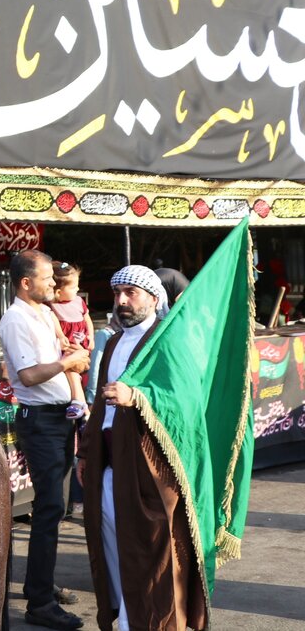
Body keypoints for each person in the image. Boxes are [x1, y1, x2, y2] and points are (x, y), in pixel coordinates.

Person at [77, 266, 205, 631]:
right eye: (117, 292)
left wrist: (136, 396)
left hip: (149, 469)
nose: (121, 301)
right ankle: (127, 622)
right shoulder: (115, 341)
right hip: (108, 464)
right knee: (113, 548)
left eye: (131, 293)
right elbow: (101, 405)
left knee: (154, 553)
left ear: (153, 298)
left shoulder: (167, 340)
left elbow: (186, 402)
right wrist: (85, 453)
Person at [0, 250, 90, 631]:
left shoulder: (45, 314)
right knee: (49, 509)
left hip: (60, 417)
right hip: (40, 422)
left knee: (56, 508)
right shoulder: (16, 319)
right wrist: (70, 363)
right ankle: (39, 601)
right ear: (25, 282)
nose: (54, 282)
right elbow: (31, 375)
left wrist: (75, 369)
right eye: (48, 277)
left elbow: (65, 358)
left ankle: (42, 586)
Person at [49, 262, 92, 421]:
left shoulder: (79, 302)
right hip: (68, 347)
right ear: (59, 292)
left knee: (77, 372)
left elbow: (87, 319)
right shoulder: (52, 307)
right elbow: (55, 324)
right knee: (70, 370)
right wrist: (61, 336)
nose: (78, 290)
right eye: (74, 287)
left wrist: (91, 338)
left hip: (82, 344)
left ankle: (81, 404)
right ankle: (81, 406)